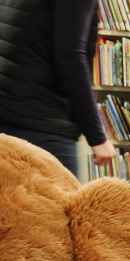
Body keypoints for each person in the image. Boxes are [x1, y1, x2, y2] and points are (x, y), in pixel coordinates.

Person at [0, 0, 115, 175]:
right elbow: (70, 59)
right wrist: (97, 137)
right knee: (62, 202)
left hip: (8, 119)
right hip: (44, 128)